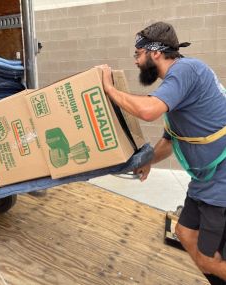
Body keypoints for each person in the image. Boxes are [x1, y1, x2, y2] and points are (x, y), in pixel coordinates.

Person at [99, 21, 226, 284]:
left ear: (155, 52)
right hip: (205, 182)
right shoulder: (179, 81)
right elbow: (171, 141)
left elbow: (148, 111)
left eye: (138, 54)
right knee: (184, 232)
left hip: (221, 184)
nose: (136, 61)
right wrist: (147, 162)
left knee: (208, 260)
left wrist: (110, 90)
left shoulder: (186, 70)